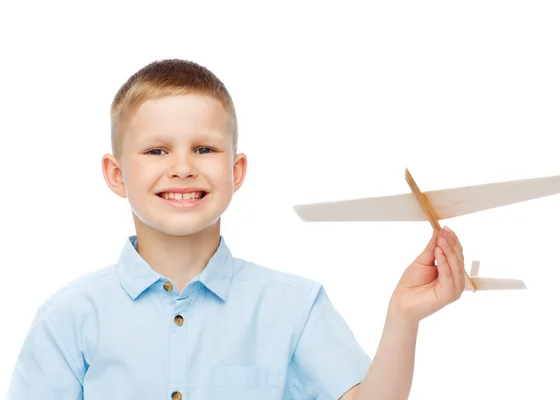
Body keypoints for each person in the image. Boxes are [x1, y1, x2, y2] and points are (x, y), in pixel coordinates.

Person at [7, 59, 466, 400]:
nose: (183, 168)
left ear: (236, 170)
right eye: (156, 151)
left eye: (204, 148)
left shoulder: (294, 307)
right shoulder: (67, 318)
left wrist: (404, 317)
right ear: (116, 174)